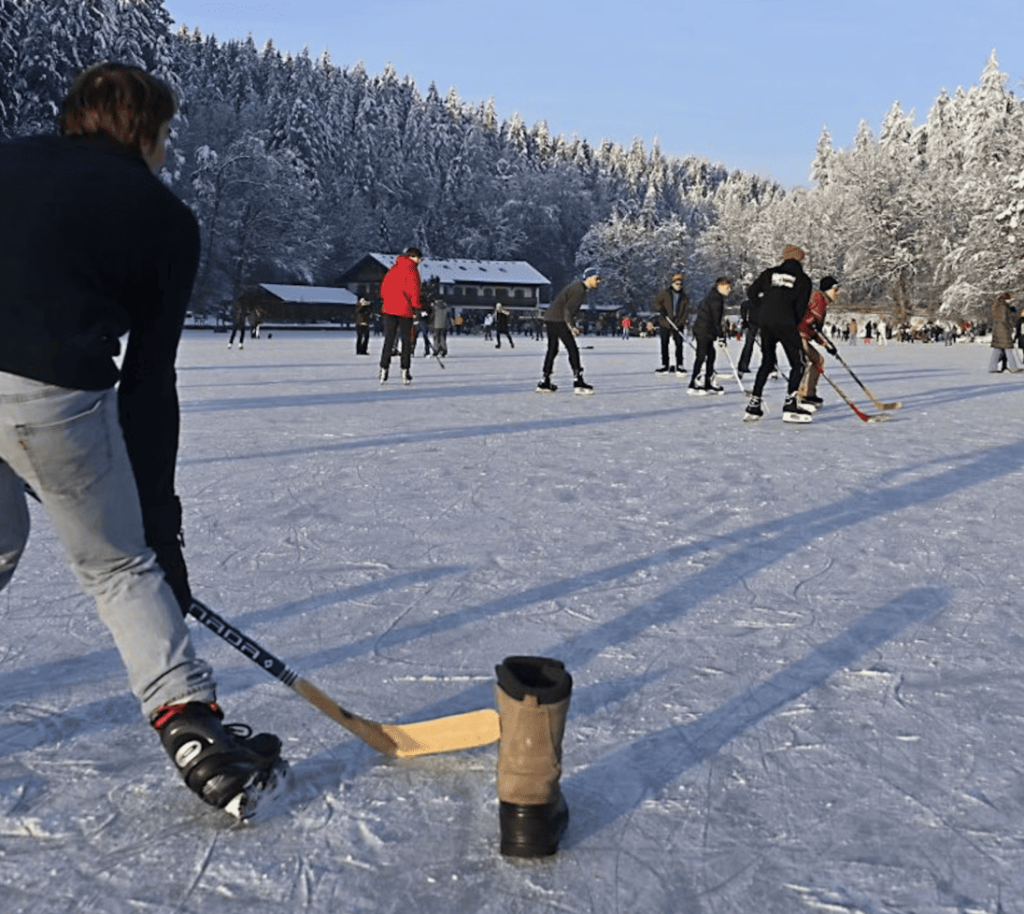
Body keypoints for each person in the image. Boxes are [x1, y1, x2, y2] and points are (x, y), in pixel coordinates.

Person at [0, 62, 282, 817]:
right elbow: (148, 386)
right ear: (150, 133)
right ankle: (190, 724)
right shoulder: (162, 217)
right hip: (48, 391)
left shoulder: (9, 155)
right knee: (119, 567)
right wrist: (161, 539)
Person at [743, 245, 814, 423]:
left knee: (767, 362)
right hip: (787, 322)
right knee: (798, 364)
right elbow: (801, 308)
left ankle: (754, 404)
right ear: (800, 259)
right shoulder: (803, 280)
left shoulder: (769, 273)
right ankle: (790, 404)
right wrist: (793, 321)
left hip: (766, 323)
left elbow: (751, 292)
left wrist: (764, 307)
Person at [536, 269, 600, 394]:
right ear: (588, 278)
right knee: (572, 349)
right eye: (596, 278)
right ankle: (578, 382)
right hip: (559, 320)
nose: (598, 281)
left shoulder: (577, 287)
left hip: (550, 318)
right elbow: (568, 310)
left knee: (552, 349)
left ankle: (545, 381)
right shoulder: (579, 289)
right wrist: (571, 326)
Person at [379, 247, 423, 384]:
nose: (420, 261)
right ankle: (405, 371)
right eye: (419, 258)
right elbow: (414, 291)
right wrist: (417, 307)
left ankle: (383, 369)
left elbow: (383, 290)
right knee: (406, 342)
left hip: (389, 310)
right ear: (413, 257)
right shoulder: (412, 270)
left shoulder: (393, 269)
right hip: (405, 311)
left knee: (389, 341)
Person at [797, 276, 841, 409]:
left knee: (818, 361)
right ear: (827, 290)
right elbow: (810, 325)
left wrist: (826, 345)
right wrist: (825, 344)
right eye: (835, 289)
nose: (837, 293)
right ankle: (800, 396)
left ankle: (808, 394)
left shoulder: (821, 301)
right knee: (805, 362)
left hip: (802, 334)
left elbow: (815, 330)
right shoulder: (818, 299)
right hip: (797, 335)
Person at [688, 278, 731, 394]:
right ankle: (695, 382)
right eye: (727, 287)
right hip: (704, 331)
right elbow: (716, 321)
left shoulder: (712, 295)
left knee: (710, 355)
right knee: (702, 355)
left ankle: (706, 382)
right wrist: (721, 336)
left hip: (704, 330)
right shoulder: (716, 300)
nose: (729, 290)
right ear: (720, 286)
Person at [652, 273, 690, 374]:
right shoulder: (665, 293)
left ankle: (680, 365)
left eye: (680, 283)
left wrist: (680, 322)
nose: (678, 285)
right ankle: (665, 364)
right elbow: (656, 302)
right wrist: (661, 310)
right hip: (665, 322)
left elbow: (686, 312)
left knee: (679, 344)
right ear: (672, 283)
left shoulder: (684, 297)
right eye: (676, 283)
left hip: (678, 324)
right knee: (664, 344)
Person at [989, 293, 1022, 373]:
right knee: (1009, 349)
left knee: (997, 350)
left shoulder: (998, 306)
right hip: (1004, 331)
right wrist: (1010, 328)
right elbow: (1004, 320)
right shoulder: (1004, 307)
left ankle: (992, 367)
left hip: (997, 331)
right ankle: (1013, 368)